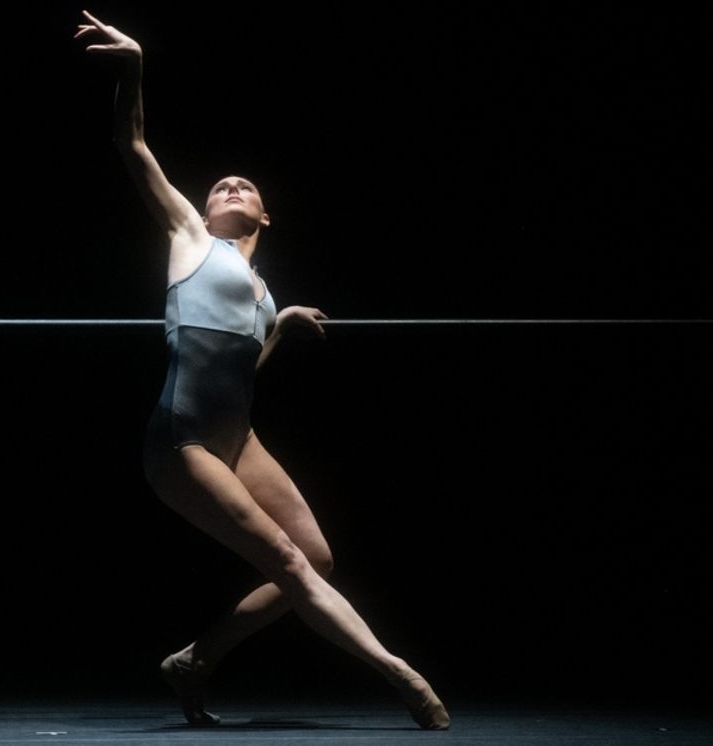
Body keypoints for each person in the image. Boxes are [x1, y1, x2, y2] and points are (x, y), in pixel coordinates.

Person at [74, 10, 451, 730]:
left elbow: (242, 376)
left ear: (266, 217)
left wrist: (278, 325)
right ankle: (404, 678)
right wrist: (134, 65)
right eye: (219, 186)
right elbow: (132, 142)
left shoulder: (265, 289)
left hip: (237, 439)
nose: (230, 186)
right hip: (182, 443)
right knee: (287, 558)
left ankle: (196, 659)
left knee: (314, 558)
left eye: (244, 186)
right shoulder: (189, 238)